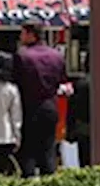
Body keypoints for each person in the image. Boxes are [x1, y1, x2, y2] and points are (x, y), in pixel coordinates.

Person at [13, 20, 66, 177]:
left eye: (22, 33)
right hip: (50, 106)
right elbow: (62, 80)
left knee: (27, 152)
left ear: (31, 35)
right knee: (48, 150)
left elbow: (16, 81)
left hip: (29, 108)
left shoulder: (22, 56)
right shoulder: (57, 56)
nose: (20, 37)